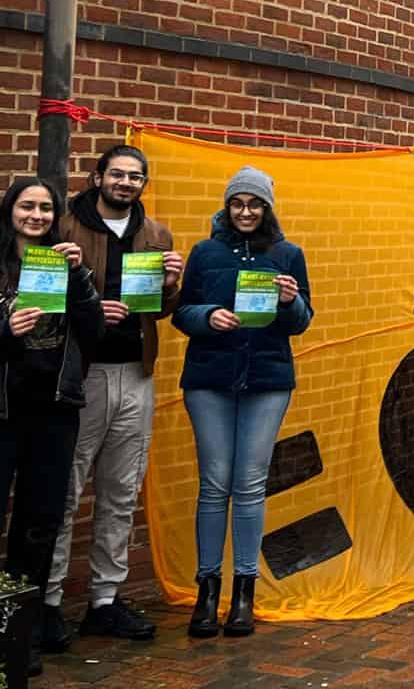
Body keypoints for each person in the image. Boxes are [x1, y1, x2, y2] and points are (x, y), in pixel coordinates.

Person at [42, 145, 182, 652]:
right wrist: (89, 308)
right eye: (117, 174)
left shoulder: (156, 233)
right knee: (65, 489)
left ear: (144, 184)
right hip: (81, 376)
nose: (125, 183)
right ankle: (49, 604)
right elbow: (39, 299)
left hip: (136, 373)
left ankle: (104, 600)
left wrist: (170, 284)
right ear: (97, 176)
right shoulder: (64, 227)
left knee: (121, 492)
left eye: (135, 177)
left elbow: (163, 310)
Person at [171, 167, 311, 639]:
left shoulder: (288, 254)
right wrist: (209, 316)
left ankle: (244, 593)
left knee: (250, 484)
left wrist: (291, 301)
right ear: (227, 208)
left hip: (267, 381)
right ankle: (207, 591)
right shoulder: (205, 252)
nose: (246, 212)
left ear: (267, 207)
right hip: (209, 379)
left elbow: (301, 321)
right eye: (238, 203)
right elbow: (181, 312)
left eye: (254, 204)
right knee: (214, 484)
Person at [0, 177, 104, 674]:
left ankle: (19, 634)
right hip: (2, 413)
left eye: (45, 208)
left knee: (39, 525)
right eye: (27, 206)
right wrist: (4, 330)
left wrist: (81, 279)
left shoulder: (63, 265)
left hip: (54, 411)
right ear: (11, 211)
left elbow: (94, 331)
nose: (36, 216)